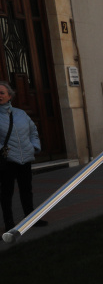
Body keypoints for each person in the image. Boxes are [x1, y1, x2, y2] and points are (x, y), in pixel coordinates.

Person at [0, 82, 46, 232]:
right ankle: (9, 224)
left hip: (25, 158)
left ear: (9, 95)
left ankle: (30, 219)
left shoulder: (20, 113)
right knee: (6, 193)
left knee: (27, 190)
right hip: (7, 160)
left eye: (1, 93)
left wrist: (33, 146)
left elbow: (33, 131)